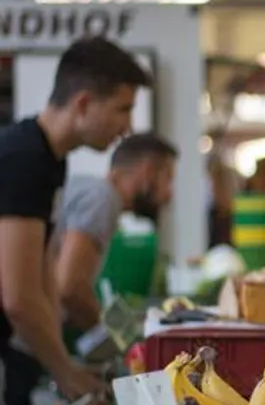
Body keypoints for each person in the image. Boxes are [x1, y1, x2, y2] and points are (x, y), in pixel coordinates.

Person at [0, 37, 150, 405]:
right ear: (83, 104)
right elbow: (18, 296)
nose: (127, 127)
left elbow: (45, 267)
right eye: (122, 110)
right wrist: (64, 373)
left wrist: (62, 360)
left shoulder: (51, 160)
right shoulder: (24, 159)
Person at [54, 133, 177, 333]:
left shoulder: (92, 193)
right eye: (168, 179)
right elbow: (69, 288)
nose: (169, 195)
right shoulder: (102, 198)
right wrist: (116, 339)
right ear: (148, 172)